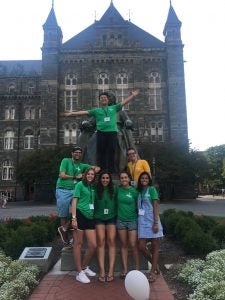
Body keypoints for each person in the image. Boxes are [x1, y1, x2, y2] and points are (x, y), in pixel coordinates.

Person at [64, 89, 140, 173]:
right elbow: (87, 116)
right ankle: (96, 166)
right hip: (100, 133)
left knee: (112, 148)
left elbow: (124, 104)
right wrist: (73, 114)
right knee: (96, 144)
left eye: (108, 97)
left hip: (115, 131)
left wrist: (132, 96)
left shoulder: (117, 110)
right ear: (100, 100)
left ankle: (112, 168)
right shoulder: (97, 111)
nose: (106, 99)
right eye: (102, 98)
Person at [56, 146, 100, 245]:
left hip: (75, 190)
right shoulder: (66, 161)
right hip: (63, 190)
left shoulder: (82, 165)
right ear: (72, 153)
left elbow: (97, 168)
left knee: (78, 210)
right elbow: (62, 175)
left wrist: (85, 174)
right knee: (63, 214)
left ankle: (64, 228)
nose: (78, 154)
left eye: (80, 152)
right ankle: (65, 239)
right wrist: (75, 176)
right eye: (76, 152)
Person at [71, 168, 97, 284]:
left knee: (93, 245)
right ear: (85, 175)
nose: (90, 176)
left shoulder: (92, 187)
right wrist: (74, 218)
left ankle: (84, 267)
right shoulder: (80, 185)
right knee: (78, 244)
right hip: (80, 215)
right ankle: (78, 272)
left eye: (92, 174)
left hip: (90, 217)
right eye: (89, 174)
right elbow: (74, 201)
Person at [136, 172, 163, 282]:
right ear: (140, 180)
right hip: (142, 221)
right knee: (141, 246)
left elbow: (156, 206)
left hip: (152, 220)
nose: (144, 179)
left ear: (149, 179)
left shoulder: (152, 189)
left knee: (155, 247)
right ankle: (155, 265)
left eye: (146, 178)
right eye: (142, 178)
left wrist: (156, 222)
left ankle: (152, 272)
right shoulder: (139, 191)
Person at [116, 171, 140, 278]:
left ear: (129, 179)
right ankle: (125, 269)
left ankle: (137, 268)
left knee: (133, 244)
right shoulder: (118, 190)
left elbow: (138, 206)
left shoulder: (134, 191)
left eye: (125, 177)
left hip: (132, 220)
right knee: (124, 244)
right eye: (122, 178)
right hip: (120, 220)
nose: (124, 179)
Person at [94, 171, 117, 282]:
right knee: (101, 241)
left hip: (111, 217)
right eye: (103, 178)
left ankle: (111, 270)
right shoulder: (95, 189)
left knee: (111, 240)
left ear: (110, 179)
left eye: (107, 178)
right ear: (100, 179)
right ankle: (102, 270)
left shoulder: (114, 189)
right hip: (99, 218)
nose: (105, 180)